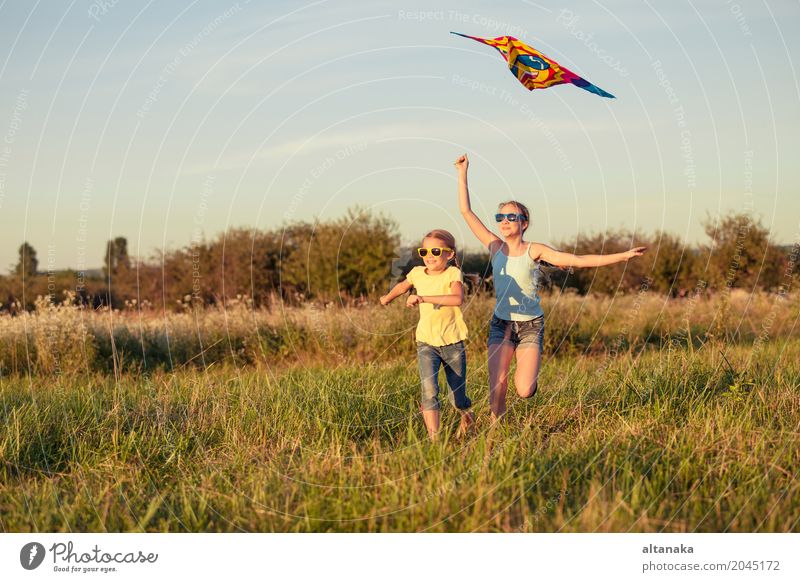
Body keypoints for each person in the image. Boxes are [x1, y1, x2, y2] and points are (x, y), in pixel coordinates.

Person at [454, 153, 647, 421]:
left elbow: (578, 261)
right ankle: (496, 429)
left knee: (523, 390)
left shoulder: (536, 250)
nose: (505, 220)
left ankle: (529, 382)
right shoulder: (494, 246)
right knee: (497, 385)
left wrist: (622, 256)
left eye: (512, 216)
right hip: (501, 324)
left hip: (531, 324)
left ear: (524, 223)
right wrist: (462, 173)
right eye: (501, 216)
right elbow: (466, 212)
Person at [380, 229, 474, 440]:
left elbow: (457, 298)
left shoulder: (452, 274)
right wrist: (387, 297)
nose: (429, 255)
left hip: (452, 343)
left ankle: (466, 414)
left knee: (457, 398)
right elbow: (403, 287)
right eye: (424, 251)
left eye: (435, 250)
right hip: (426, 342)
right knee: (429, 390)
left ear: (449, 254)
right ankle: (435, 440)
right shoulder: (417, 272)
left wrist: (423, 298)